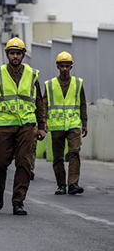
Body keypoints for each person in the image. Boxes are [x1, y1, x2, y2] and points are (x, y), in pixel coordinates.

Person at [0, 37, 46, 215]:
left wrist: (41, 125)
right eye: (12, 53)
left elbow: (38, 101)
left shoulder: (32, 74)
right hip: (3, 126)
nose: (15, 56)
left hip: (26, 126)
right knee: (0, 163)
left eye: (18, 53)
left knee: (24, 163)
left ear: (23, 55)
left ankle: (18, 201)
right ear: (7, 55)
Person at [45, 51, 87, 196]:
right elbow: (44, 104)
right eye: (62, 66)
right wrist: (43, 122)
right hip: (56, 126)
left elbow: (82, 104)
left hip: (73, 124)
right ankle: (61, 185)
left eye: (67, 66)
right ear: (57, 66)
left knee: (74, 151)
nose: (64, 69)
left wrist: (84, 123)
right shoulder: (49, 85)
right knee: (58, 157)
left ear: (71, 67)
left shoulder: (78, 83)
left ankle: (73, 183)